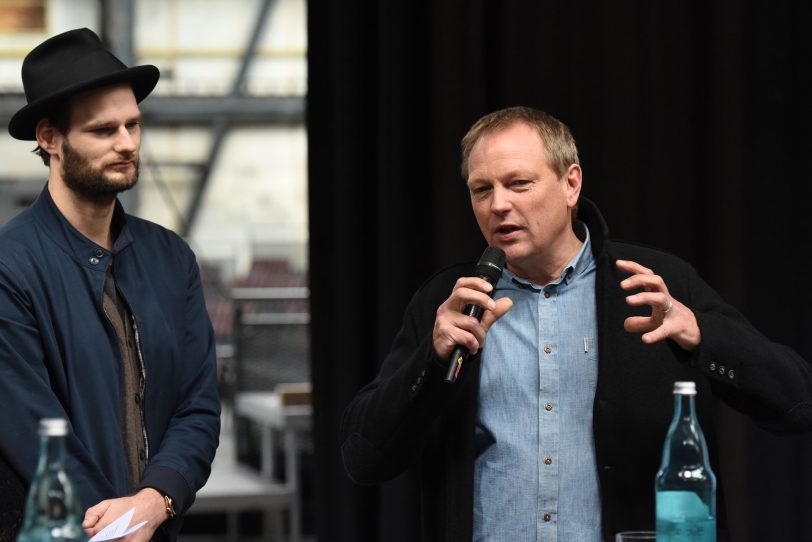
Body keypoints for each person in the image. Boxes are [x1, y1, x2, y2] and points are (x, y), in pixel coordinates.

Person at [340, 106, 812, 541]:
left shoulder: (653, 285)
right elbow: (364, 459)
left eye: (519, 183)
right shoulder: (449, 303)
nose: (498, 205)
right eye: (482, 190)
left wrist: (703, 336)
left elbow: (796, 403)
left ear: (571, 184)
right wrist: (433, 355)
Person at [0, 28, 220, 541]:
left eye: (133, 125)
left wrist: (156, 498)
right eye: (103, 130)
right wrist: (117, 526)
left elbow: (198, 406)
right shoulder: (10, 267)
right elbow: (33, 432)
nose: (127, 143)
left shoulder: (171, 258)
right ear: (50, 139)